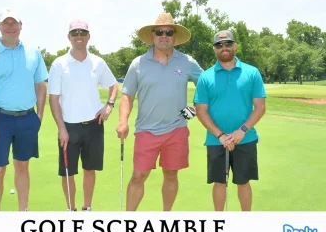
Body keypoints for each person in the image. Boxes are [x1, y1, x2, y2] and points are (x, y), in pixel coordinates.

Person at [116, 12, 204, 211]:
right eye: (159, 32)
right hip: (146, 130)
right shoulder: (138, 64)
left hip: (177, 129)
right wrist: (123, 121)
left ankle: (166, 216)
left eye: (169, 32)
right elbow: (127, 95)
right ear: (153, 35)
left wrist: (194, 109)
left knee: (171, 174)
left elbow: (207, 85)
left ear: (174, 36)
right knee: (138, 176)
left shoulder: (186, 61)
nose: (164, 36)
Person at [0, 8, 48, 211]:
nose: (10, 27)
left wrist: (39, 116)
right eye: (5, 23)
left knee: (23, 167)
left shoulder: (34, 52)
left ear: (21, 25)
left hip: (27, 119)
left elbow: (41, 85)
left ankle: (23, 212)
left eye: (13, 23)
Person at [48, 19, 119, 211]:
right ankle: (71, 210)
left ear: (88, 36)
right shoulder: (58, 64)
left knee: (90, 169)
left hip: (94, 125)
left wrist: (109, 106)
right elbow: (53, 99)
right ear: (69, 37)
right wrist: (61, 128)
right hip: (69, 127)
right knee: (68, 172)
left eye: (82, 32)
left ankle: (87, 208)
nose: (78, 36)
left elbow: (114, 85)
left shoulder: (98, 62)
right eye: (74, 33)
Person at [193, 30, 267, 211]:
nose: (223, 48)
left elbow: (260, 107)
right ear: (214, 49)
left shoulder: (251, 72)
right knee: (219, 182)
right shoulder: (206, 77)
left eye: (227, 44)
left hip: (245, 138)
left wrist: (242, 131)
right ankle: (220, 223)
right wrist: (220, 136)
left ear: (235, 46)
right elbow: (201, 111)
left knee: (243, 182)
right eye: (219, 45)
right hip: (216, 140)